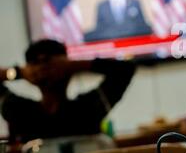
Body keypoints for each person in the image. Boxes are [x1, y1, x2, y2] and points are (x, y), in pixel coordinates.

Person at [0, 39, 136, 143]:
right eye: (37, 63)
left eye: (51, 63)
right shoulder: (88, 109)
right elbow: (124, 70)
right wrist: (74, 65)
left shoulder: (21, 112)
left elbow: (126, 69)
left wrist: (18, 73)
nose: (44, 69)